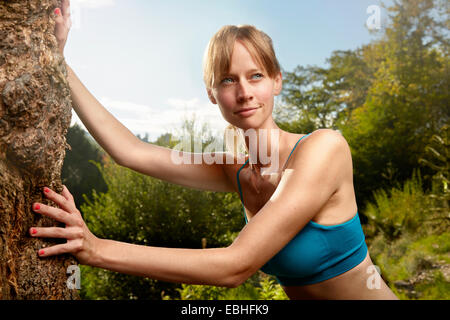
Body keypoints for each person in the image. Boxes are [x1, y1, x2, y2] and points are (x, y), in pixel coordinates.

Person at [30, 0, 399, 300]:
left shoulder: (324, 149)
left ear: (277, 82)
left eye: (256, 76)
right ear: (212, 94)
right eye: (228, 80)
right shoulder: (235, 171)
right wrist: (58, 62)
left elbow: (234, 266)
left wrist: (95, 249)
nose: (244, 92)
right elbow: (131, 152)